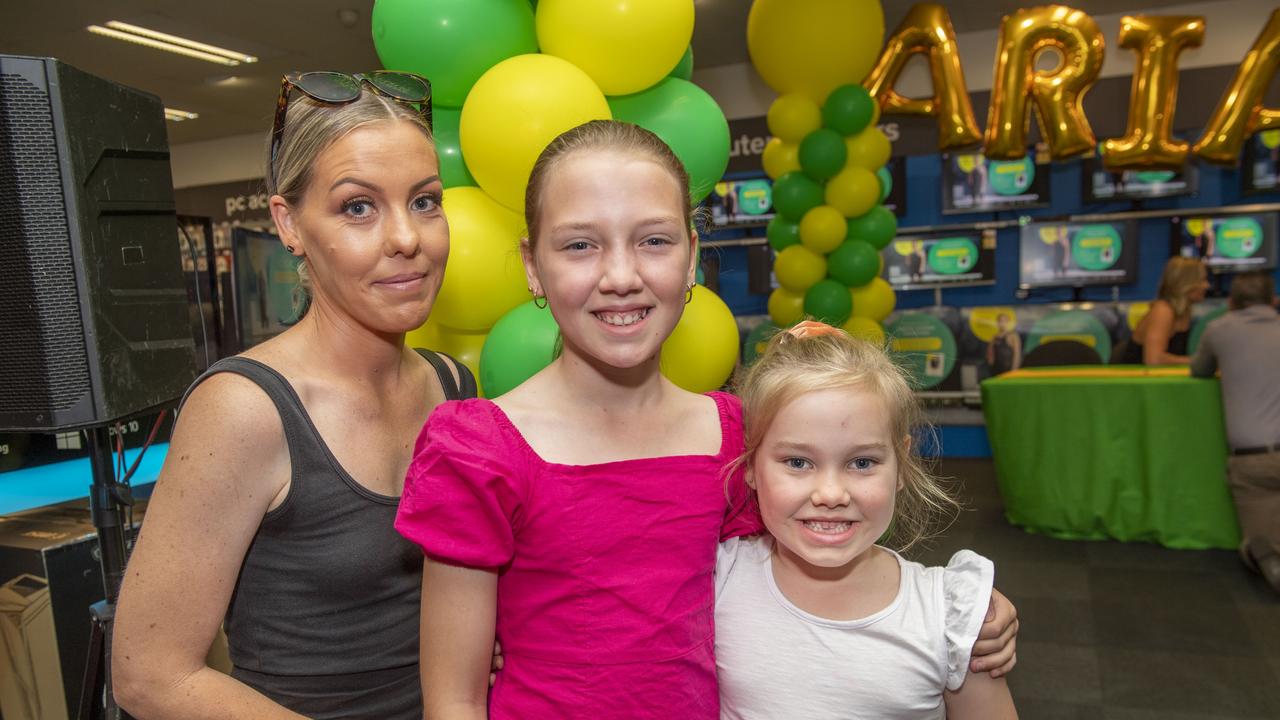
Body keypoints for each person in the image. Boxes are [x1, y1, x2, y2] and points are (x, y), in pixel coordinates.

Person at [395, 119, 1018, 719]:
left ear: (692, 257)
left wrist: (957, 617)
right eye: (580, 245)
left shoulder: (739, 436)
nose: (621, 276)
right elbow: (454, 699)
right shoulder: (477, 448)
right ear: (534, 265)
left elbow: (804, 581)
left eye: (654, 241)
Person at [112, 71, 476, 719]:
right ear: (289, 224)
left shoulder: (455, 387)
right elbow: (150, 676)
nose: (407, 238)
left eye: (425, 201)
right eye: (357, 207)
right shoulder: (244, 407)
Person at [716, 321, 1017, 719]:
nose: (831, 494)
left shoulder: (947, 615)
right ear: (751, 465)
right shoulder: (717, 578)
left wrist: (972, 614)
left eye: (862, 462)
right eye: (797, 462)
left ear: (901, 465)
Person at [1190, 271, 1280, 595]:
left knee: (1263, 549)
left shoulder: (1220, 329)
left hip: (1252, 462)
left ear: (1231, 302)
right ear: (1273, 300)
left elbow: (1198, 370)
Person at [1121, 256, 1209, 365]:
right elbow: (1154, 360)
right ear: (1187, 283)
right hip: (1136, 379)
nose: (1207, 286)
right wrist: (1198, 362)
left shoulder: (1185, 311)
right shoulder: (1163, 311)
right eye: (1202, 280)